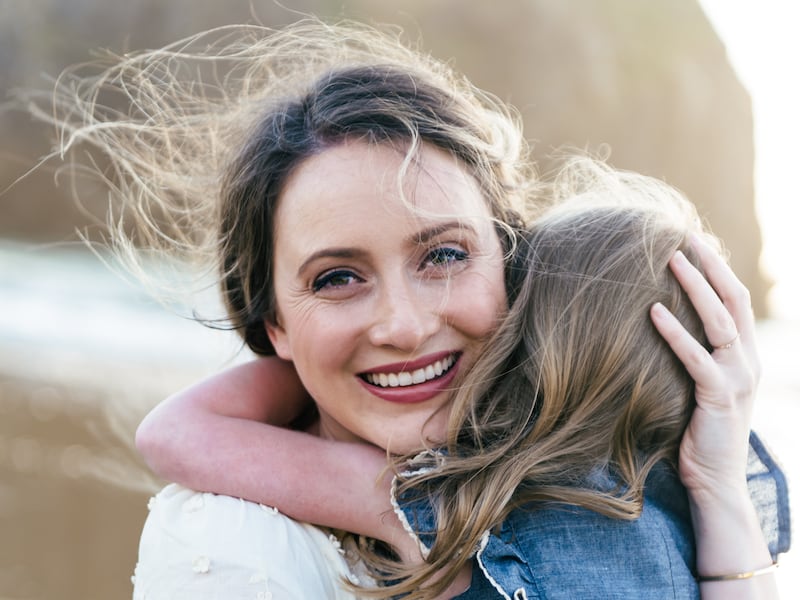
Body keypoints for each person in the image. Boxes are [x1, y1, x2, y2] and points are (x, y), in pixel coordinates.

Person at [32, 19, 788, 599]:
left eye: (445, 255)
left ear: (513, 265)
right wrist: (388, 497)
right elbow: (169, 434)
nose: (403, 325)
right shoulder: (233, 544)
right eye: (335, 279)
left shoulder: (629, 490)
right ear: (273, 325)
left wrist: (718, 484)